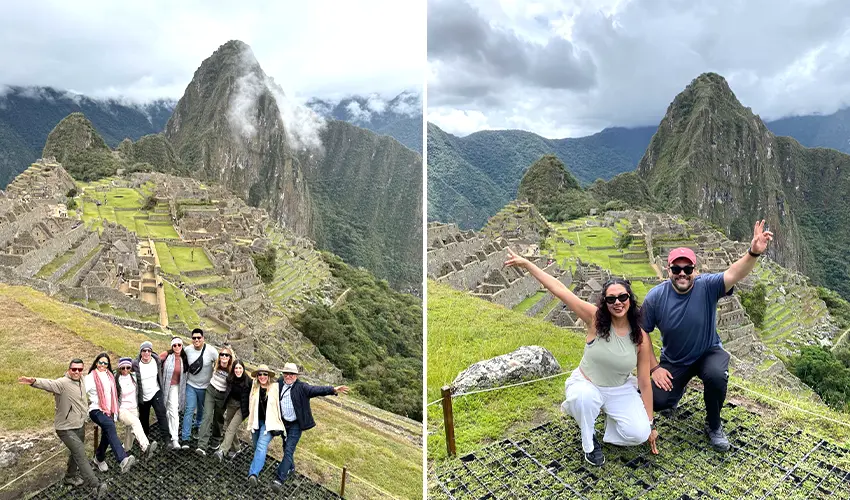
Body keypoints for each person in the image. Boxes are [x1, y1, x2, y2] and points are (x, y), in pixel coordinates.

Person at [505, 249, 658, 466]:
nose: (617, 302)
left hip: (618, 389)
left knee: (638, 434)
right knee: (584, 399)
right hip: (587, 384)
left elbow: (644, 382)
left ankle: (609, 420)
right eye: (611, 299)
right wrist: (528, 264)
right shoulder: (595, 319)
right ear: (605, 302)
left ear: (630, 300)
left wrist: (650, 424)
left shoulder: (640, 337)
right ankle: (589, 441)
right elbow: (559, 289)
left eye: (622, 297)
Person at [642, 220, 774, 452]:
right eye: (676, 269)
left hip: (707, 351)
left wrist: (753, 252)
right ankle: (676, 392)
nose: (682, 274)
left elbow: (734, 273)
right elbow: (642, 332)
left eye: (687, 269)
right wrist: (654, 368)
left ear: (695, 270)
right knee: (659, 401)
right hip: (675, 359)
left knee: (716, 376)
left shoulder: (707, 286)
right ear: (668, 270)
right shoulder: (655, 297)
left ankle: (714, 425)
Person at [19, 359, 109, 498]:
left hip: (79, 425)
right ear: (69, 369)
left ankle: (70, 477)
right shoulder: (62, 383)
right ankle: (96, 485)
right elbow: (49, 384)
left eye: (80, 369)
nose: (77, 372)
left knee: (75, 453)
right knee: (80, 452)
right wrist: (34, 381)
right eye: (74, 369)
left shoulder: (82, 380)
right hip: (65, 428)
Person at [271, 363, 349, 491]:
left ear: (296, 376)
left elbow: (315, 390)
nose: (289, 376)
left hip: (296, 424)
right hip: (284, 423)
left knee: (289, 449)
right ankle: (290, 468)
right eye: (286, 373)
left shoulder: (302, 387)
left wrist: (333, 390)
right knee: (285, 447)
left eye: (292, 374)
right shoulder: (279, 383)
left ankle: (279, 479)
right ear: (283, 374)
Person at [85, 353, 137, 473]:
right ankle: (123, 460)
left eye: (105, 363)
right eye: (100, 362)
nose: (102, 365)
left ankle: (99, 458)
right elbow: (81, 392)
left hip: (109, 410)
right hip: (96, 409)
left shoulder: (110, 375)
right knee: (110, 426)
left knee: (107, 434)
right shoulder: (90, 378)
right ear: (96, 363)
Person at [246, 364, 285, 487]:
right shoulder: (254, 387)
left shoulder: (275, 387)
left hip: (269, 423)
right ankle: (259, 461)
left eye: (265, 374)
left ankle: (253, 474)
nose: (262, 376)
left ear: (268, 376)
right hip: (256, 421)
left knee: (261, 445)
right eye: (260, 374)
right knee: (256, 445)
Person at [181, 328, 218, 447]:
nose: (196, 340)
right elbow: (178, 357)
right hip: (191, 385)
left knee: (202, 409)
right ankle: (185, 438)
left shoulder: (211, 351)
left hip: (205, 387)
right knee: (189, 410)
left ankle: (197, 426)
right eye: (194, 338)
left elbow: (220, 363)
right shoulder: (187, 350)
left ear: (203, 338)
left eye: (199, 338)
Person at [196, 346, 234, 456]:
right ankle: (202, 445)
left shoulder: (232, 370)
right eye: (222, 354)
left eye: (226, 355)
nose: (224, 357)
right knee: (207, 416)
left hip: (222, 396)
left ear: (230, 357)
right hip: (211, 391)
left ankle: (216, 439)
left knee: (218, 418)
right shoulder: (216, 364)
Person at [115, 357, 157, 458]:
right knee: (136, 422)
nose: (125, 370)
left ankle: (126, 449)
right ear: (119, 368)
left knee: (131, 429)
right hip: (122, 409)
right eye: (123, 368)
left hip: (133, 408)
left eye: (128, 368)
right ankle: (145, 447)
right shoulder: (116, 380)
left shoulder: (134, 377)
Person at [132, 341, 170, 449]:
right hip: (143, 396)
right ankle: (145, 442)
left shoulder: (156, 360)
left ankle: (166, 439)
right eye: (144, 351)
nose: (146, 353)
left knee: (161, 414)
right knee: (144, 419)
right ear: (141, 352)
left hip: (155, 392)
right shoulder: (136, 364)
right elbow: (124, 370)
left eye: (149, 350)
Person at [215, 359, 252, 461]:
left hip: (242, 407)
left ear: (243, 369)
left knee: (231, 428)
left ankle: (222, 451)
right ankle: (237, 448)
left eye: (240, 368)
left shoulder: (249, 382)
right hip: (231, 404)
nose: (238, 370)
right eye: (236, 368)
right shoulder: (230, 378)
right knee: (228, 426)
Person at [159, 337, 188, 450]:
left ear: (182, 346)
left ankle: (175, 438)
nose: (177, 347)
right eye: (174, 345)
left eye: (179, 345)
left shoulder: (184, 358)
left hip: (177, 387)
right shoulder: (167, 355)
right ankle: (169, 430)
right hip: (166, 386)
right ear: (172, 346)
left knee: (174, 410)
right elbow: (154, 360)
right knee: (168, 409)